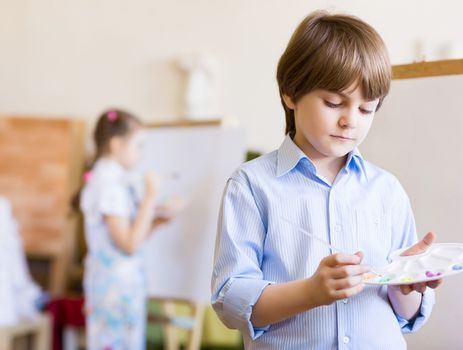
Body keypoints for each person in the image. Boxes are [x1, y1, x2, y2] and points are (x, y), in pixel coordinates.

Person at [211, 11, 441, 349]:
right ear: (290, 92)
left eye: (367, 110)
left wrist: (405, 284)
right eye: (334, 102)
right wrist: (310, 292)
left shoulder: (386, 190)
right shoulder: (251, 185)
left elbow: (407, 316)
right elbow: (230, 299)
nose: (351, 121)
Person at [80, 109, 171, 349]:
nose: (141, 155)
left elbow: (131, 237)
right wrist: (150, 198)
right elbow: (128, 244)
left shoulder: (113, 180)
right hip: (114, 289)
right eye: (139, 146)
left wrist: (153, 223)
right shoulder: (109, 185)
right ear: (117, 144)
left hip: (120, 285)